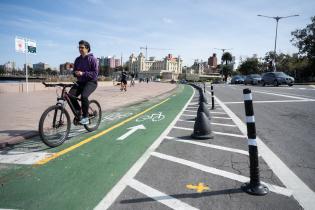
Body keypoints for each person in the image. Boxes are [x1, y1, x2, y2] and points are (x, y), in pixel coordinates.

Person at [70, 40, 98, 125]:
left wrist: (83, 73)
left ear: (87, 48)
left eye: (82, 47)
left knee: (84, 96)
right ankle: (80, 114)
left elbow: (95, 73)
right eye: (79, 47)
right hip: (80, 82)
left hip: (91, 82)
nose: (80, 49)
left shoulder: (92, 59)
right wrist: (75, 73)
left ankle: (85, 117)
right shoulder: (77, 60)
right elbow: (74, 72)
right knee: (71, 95)